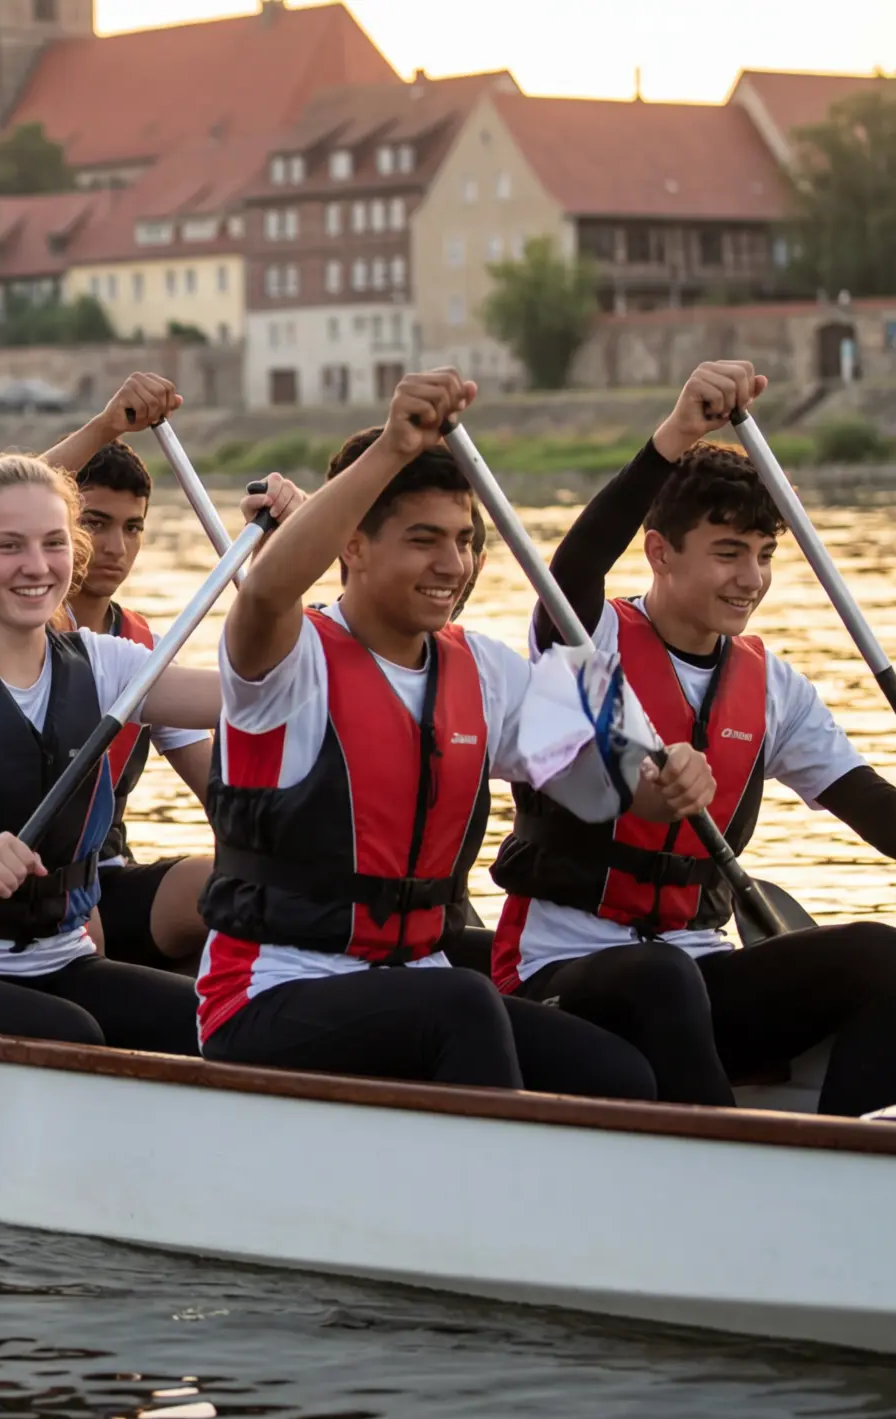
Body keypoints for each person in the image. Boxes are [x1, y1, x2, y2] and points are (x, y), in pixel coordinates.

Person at [489, 360, 896, 1116]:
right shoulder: (589, 638)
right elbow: (571, 567)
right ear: (661, 552)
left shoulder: (771, 686)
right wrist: (672, 438)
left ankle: (852, 1159)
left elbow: (863, 796)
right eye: (729, 553)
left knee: (886, 957)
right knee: (660, 979)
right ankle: (735, 1167)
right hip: (563, 974)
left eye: (765, 554)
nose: (751, 578)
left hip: (696, 970)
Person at [198, 369, 667, 1099]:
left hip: (414, 983)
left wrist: (665, 785)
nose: (453, 565)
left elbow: (606, 790)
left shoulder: (481, 666)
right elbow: (263, 591)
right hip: (268, 996)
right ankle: (496, 1196)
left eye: (465, 540)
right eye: (424, 540)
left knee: (620, 1072)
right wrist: (391, 446)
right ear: (353, 545)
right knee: (464, 1005)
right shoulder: (292, 661)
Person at [0, 454, 265, 1051]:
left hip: (60, 958)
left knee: (218, 1027)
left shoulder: (107, 664)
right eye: (9, 546)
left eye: (53, 544)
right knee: (75, 1034)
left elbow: (256, 692)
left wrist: (279, 561)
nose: (36, 567)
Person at [38, 373, 218, 974]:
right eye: (95, 523)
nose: (116, 546)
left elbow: (219, 791)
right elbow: (0, 504)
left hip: (109, 880)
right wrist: (108, 425)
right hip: (21, 891)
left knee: (235, 880)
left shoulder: (145, 648)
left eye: (132, 527)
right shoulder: (16, 629)